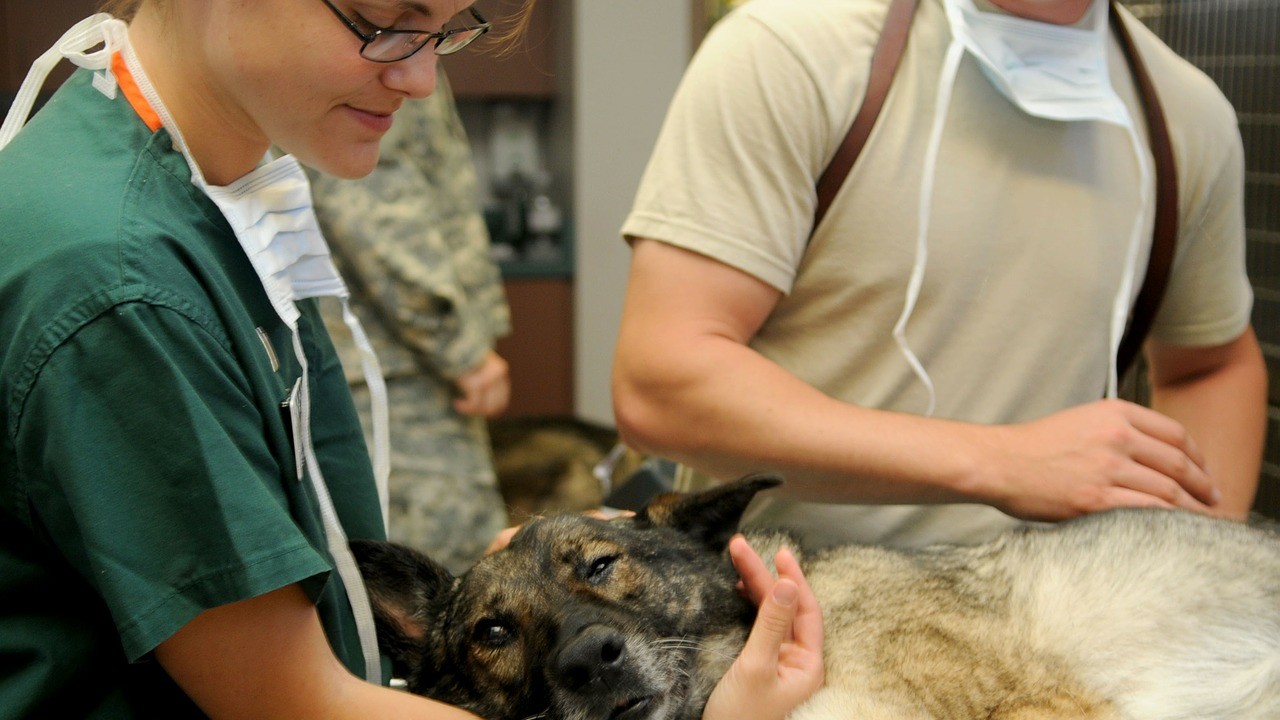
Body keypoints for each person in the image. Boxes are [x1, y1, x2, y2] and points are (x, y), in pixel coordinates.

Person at [0, 1, 823, 718]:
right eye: (387, 24)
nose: (422, 80)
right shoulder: (119, 286)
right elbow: (295, 704)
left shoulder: (216, 194)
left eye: (448, 32)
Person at [613, 0, 1267, 551]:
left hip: (1056, 632)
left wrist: (1195, 565)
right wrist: (1001, 461)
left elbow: (1211, 364)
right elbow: (662, 381)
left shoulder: (1186, 118)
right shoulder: (794, 52)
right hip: (790, 628)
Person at [307, 76, 512, 575]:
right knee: (446, 585)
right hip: (395, 369)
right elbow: (371, 203)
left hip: (383, 360)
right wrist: (460, 348)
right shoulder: (378, 45)